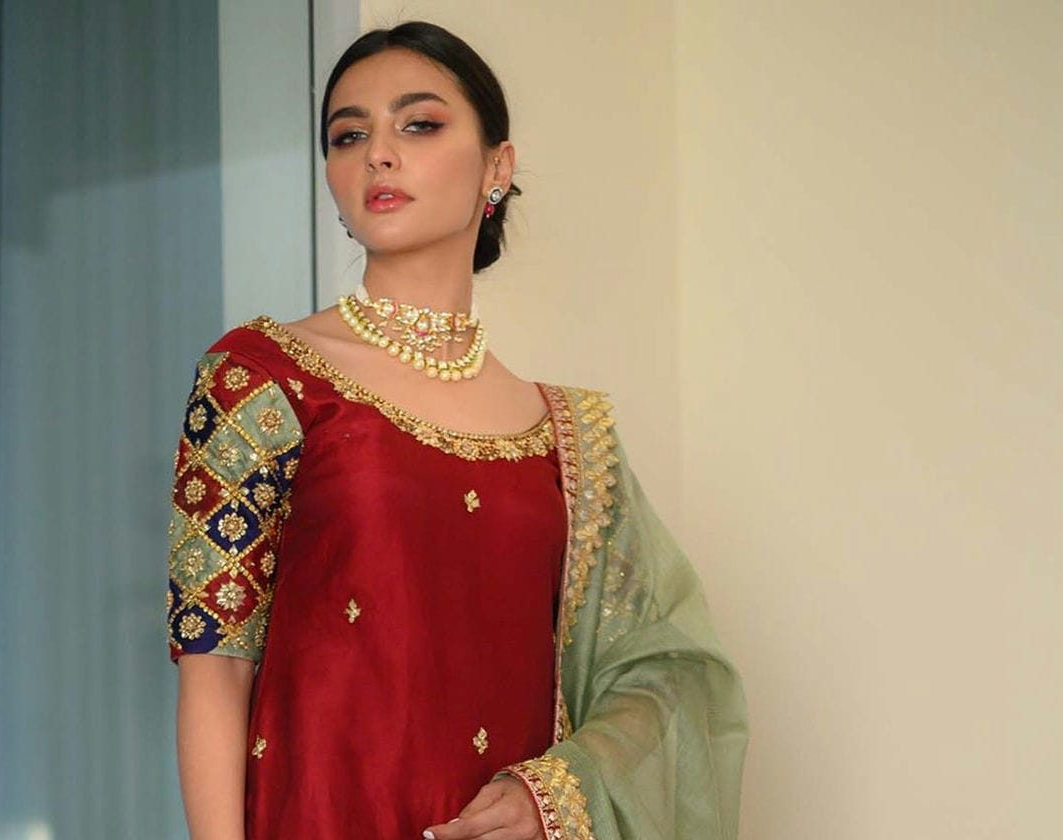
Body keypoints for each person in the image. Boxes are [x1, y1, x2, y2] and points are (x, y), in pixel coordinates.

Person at [166, 20, 749, 840]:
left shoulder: (569, 439)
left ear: (497, 167)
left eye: (418, 125)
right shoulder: (260, 378)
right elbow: (215, 672)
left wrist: (553, 795)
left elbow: (670, 674)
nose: (378, 154)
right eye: (348, 135)